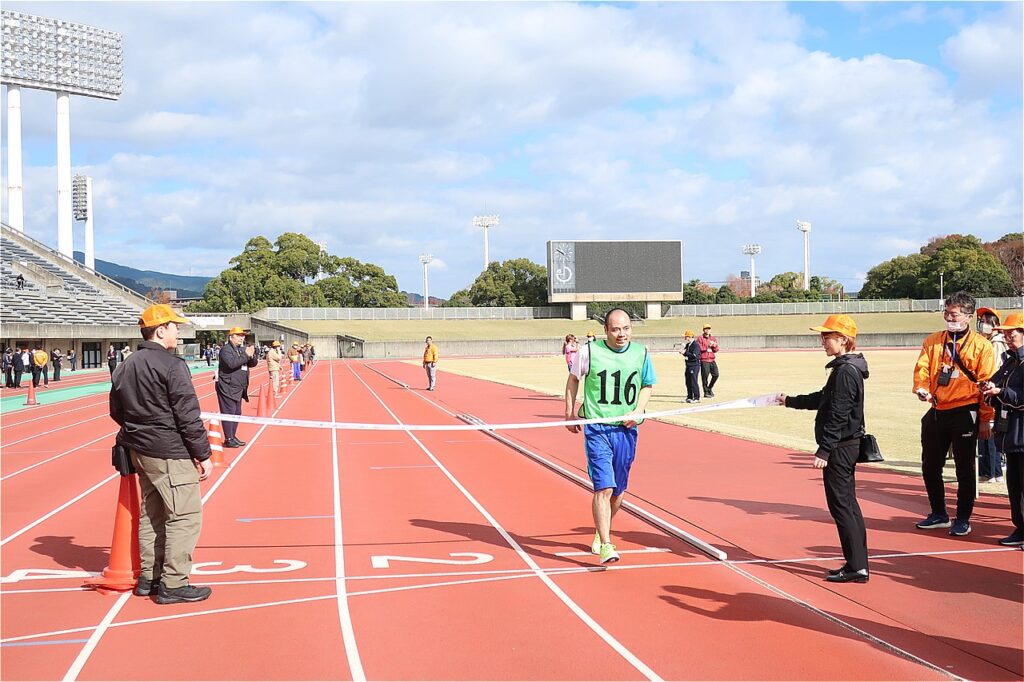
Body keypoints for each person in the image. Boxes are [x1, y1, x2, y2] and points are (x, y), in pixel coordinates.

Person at [109, 303, 213, 604]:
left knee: (152, 513)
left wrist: (139, 431)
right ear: (160, 330)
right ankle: (174, 582)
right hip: (169, 450)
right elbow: (187, 415)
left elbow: (115, 410)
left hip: (140, 448)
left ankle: (149, 578)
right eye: (175, 326)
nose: (178, 332)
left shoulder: (126, 364)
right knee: (184, 515)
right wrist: (202, 454)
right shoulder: (172, 365)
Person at [777, 314, 870, 583]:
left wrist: (825, 450)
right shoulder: (845, 369)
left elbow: (839, 413)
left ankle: (857, 566)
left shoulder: (845, 371)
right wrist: (790, 401)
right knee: (848, 505)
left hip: (841, 447)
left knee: (842, 506)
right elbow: (824, 399)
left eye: (827, 337)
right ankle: (857, 563)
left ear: (843, 339)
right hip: (845, 445)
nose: (822, 342)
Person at [564, 308, 656, 564]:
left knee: (619, 490)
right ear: (606, 330)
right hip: (598, 429)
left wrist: (638, 411)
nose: (621, 334)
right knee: (604, 486)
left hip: (626, 429)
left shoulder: (641, 353)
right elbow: (573, 380)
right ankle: (606, 543)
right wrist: (570, 412)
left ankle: (600, 529)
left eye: (626, 328)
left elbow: (648, 384)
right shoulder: (589, 351)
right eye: (615, 329)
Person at [913, 291, 995, 537]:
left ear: (968, 317)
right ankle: (938, 513)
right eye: (946, 313)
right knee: (930, 465)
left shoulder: (982, 345)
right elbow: (923, 368)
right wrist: (921, 388)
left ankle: (963, 517)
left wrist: (985, 417)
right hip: (937, 409)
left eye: (955, 314)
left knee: (965, 468)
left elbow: (987, 384)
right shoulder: (933, 341)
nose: (949, 317)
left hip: (966, 410)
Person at [979, 311, 1024, 547]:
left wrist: (1001, 393)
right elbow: (995, 381)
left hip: (1021, 431)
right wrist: (988, 387)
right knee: (1014, 486)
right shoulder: (1010, 360)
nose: (1007, 337)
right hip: (1011, 432)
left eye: (1011, 333)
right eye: (1005, 333)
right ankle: (1020, 527)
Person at [976, 307, 1006, 483]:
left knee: (990, 432)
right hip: (991, 392)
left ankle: (993, 471)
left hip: (993, 393)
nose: (982, 325)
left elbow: (993, 370)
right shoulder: (990, 342)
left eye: (986, 321)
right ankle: (989, 470)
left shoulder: (996, 344)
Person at [216, 327, 258, 448]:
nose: (241, 338)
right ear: (231, 337)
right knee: (229, 413)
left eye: (243, 336)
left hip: (239, 388)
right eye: (238, 335)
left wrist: (251, 355)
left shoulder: (241, 349)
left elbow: (252, 363)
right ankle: (228, 438)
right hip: (227, 387)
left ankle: (232, 436)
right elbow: (232, 364)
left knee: (237, 412)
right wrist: (246, 355)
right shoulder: (226, 350)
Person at [697, 324, 720, 398]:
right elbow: (699, 348)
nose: (707, 330)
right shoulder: (700, 338)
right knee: (705, 377)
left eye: (709, 329)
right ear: (703, 330)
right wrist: (708, 345)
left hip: (712, 359)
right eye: (706, 329)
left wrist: (714, 345)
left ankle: (709, 388)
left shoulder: (713, 338)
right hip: (704, 360)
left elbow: (716, 350)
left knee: (716, 374)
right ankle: (706, 392)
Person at [679, 330, 701, 403]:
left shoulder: (696, 345)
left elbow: (695, 356)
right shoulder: (688, 345)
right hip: (688, 365)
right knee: (688, 381)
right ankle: (689, 397)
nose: (685, 338)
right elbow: (687, 354)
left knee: (693, 381)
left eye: (686, 337)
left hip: (694, 366)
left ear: (690, 337)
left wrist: (685, 352)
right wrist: (683, 353)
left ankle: (696, 397)